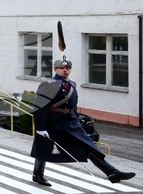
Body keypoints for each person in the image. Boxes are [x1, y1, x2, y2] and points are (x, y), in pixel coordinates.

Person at [30, 58, 135, 186]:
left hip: (70, 123)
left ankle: (112, 172)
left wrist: (76, 121)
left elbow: (73, 106)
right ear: (55, 69)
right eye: (62, 68)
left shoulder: (72, 84)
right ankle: (37, 174)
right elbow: (40, 107)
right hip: (53, 123)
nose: (65, 70)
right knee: (44, 147)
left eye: (67, 68)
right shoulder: (49, 84)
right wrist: (40, 127)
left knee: (88, 146)